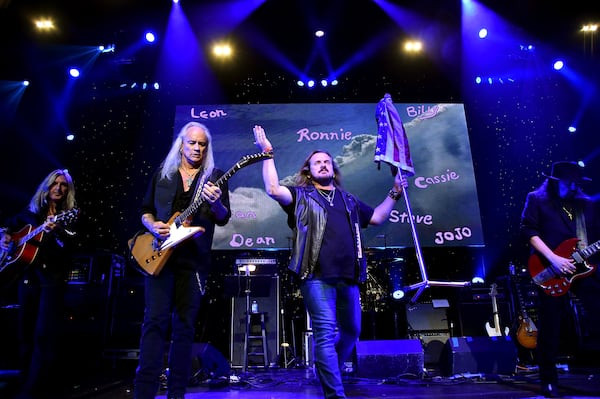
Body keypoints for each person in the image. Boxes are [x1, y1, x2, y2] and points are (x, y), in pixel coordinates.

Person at [252, 125, 407, 399]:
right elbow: (273, 189)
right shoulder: (301, 196)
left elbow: (378, 218)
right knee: (324, 333)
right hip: (316, 277)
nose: (323, 165)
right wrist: (267, 153)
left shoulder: (348, 200)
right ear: (308, 171)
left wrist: (394, 192)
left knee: (351, 332)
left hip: (348, 277)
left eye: (326, 161)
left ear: (333, 169)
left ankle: (327, 367)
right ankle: (335, 394)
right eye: (317, 162)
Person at [133, 121, 231, 399]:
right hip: (160, 258)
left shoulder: (214, 176)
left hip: (193, 262)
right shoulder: (163, 174)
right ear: (182, 143)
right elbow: (145, 210)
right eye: (193, 143)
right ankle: (144, 392)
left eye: (202, 144)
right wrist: (152, 226)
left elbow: (223, 217)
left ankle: (177, 393)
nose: (197, 148)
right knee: (154, 322)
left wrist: (215, 203)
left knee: (185, 327)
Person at [520, 161, 600, 398]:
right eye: (570, 183)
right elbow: (527, 230)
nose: (575, 187)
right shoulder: (537, 199)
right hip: (550, 267)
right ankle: (549, 380)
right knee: (551, 326)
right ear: (555, 182)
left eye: (578, 183)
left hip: (583, 267)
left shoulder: (586, 204)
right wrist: (554, 258)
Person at [0, 169, 78, 399]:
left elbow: (73, 246)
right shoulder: (30, 214)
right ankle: (24, 381)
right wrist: (5, 236)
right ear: (47, 186)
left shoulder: (69, 216)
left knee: (43, 336)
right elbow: (9, 226)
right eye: (55, 184)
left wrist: (57, 232)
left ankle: (32, 391)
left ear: (68, 190)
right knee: (25, 333)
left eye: (64, 185)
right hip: (27, 279)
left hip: (52, 281)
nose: (59, 188)